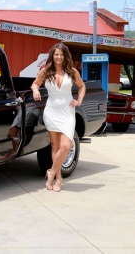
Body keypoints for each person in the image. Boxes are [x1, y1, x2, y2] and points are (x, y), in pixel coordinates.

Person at [31, 42, 85, 192]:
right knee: (55, 147)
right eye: (56, 54)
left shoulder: (72, 71)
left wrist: (79, 100)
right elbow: (35, 84)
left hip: (67, 112)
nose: (59, 57)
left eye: (61, 54)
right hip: (51, 112)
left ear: (65, 56)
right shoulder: (46, 71)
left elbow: (82, 86)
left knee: (66, 146)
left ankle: (51, 173)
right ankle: (58, 179)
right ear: (52, 56)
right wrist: (36, 90)